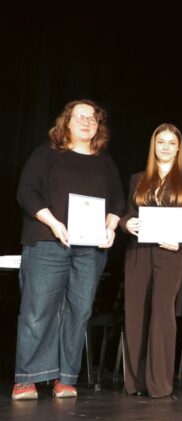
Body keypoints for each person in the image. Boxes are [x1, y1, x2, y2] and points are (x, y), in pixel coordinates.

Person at [13, 99, 124, 401]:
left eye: (93, 118)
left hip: (89, 250)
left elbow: (117, 200)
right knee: (38, 311)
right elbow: (27, 191)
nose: (87, 122)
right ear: (66, 122)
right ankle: (27, 379)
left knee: (78, 312)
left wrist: (110, 227)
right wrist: (53, 222)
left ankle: (66, 378)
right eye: (80, 117)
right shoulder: (46, 154)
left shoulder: (105, 161)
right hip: (48, 241)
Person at [121, 124, 182, 398]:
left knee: (162, 314)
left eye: (171, 143)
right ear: (153, 146)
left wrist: (181, 239)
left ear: (178, 148)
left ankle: (159, 384)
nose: (165, 147)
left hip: (169, 253)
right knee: (135, 314)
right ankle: (135, 382)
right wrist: (126, 223)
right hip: (139, 252)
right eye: (160, 142)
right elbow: (128, 212)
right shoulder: (138, 178)